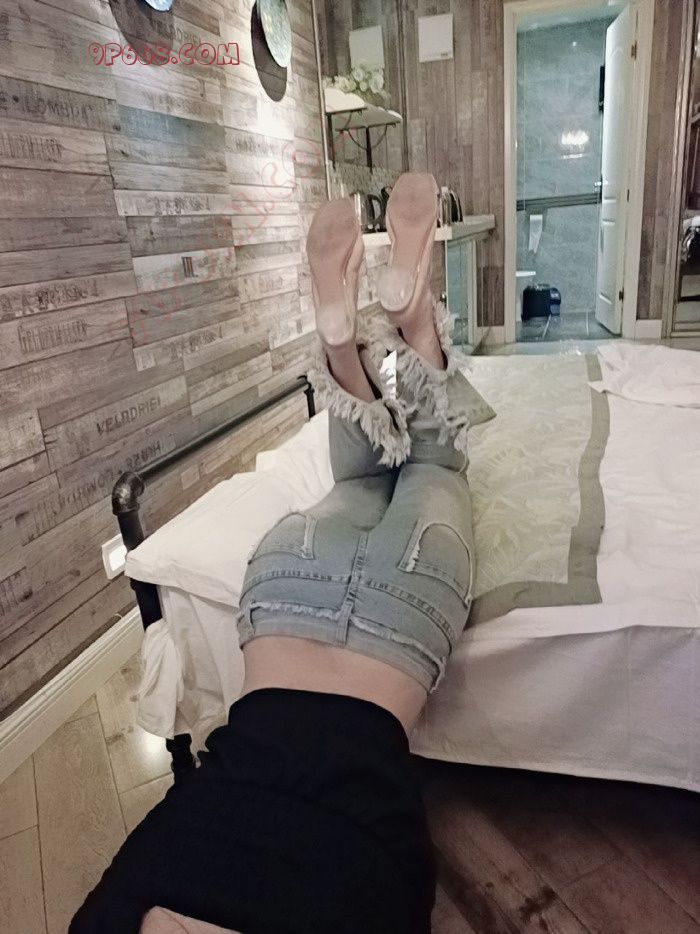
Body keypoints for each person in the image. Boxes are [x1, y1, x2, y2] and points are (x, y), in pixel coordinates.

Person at [70, 173, 495, 934]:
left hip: (394, 624)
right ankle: (369, 333)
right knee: (375, 477)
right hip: (286, 588)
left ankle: (392, 329)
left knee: (430, 469)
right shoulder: (118, 914)